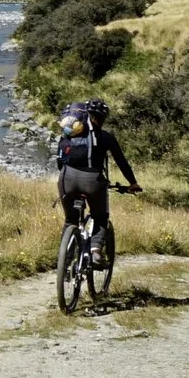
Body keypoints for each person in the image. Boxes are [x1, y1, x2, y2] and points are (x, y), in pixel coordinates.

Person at [54, 98, 140, 266]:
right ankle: (95, 252)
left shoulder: (70, 133)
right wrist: (133, 183)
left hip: (66, 178)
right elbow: (122, 162)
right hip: (92, 181)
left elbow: (60, 157)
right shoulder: (106, 137)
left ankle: (64, 261)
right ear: (103, 118)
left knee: (70, 221)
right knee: (100, 216)